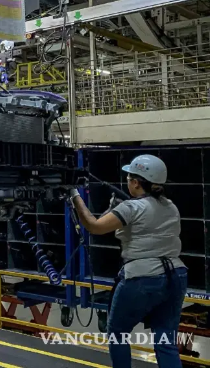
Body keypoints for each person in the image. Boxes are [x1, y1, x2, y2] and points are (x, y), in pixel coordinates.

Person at [70, 154, 187, 368]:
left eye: (129, 178)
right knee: (165, 339)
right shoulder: (170, 206)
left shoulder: (130, 208)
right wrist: (115, 210)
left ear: (136, 183)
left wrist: (74, 195)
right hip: (176, 275)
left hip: (142, 277)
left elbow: (94, 226)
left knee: (118, 332)